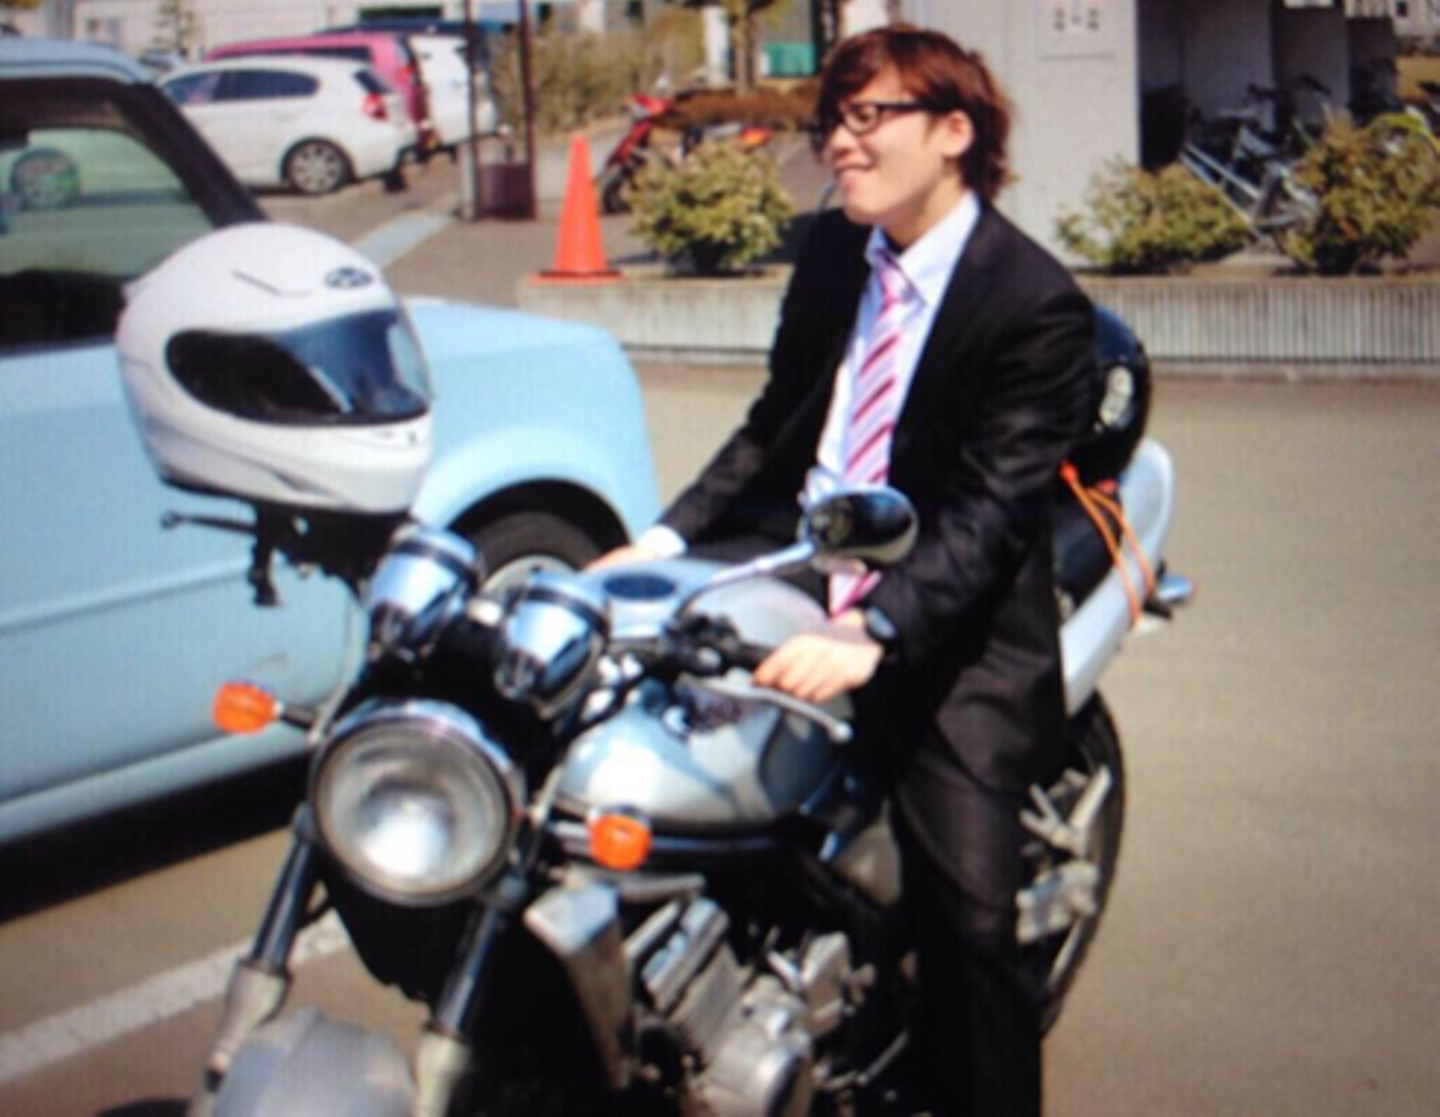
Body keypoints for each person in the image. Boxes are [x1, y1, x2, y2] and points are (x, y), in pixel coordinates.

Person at [594, 24, 1095, 1115]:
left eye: (870, 117)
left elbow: (989, 515)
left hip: (948, 622)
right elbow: (775, 421)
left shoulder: (1033, 302)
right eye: (833, 120)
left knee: (972, 919)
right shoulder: (832, 250)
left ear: (953, 132)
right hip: (802, 558)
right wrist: (666, 542)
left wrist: (875, 630)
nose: (840, 143)